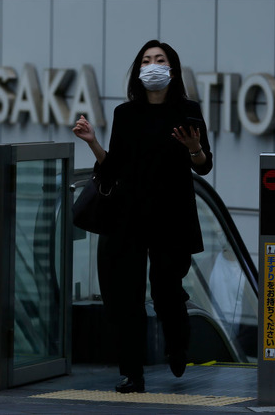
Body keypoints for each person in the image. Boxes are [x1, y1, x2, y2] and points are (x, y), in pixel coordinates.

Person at [72, 39, 213, 393]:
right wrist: (92, 142)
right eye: (147, 60)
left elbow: (205, 165)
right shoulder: (126, 114)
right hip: (128, 216)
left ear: (172, 68)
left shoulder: (188, 112)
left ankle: (177, 342)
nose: (153, 65)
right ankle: (132, 373)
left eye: (160, 59)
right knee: (126, 297)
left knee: (166, 289)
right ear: (138, 70)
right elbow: (114, 168)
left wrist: (194, 149)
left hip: (172, 216)